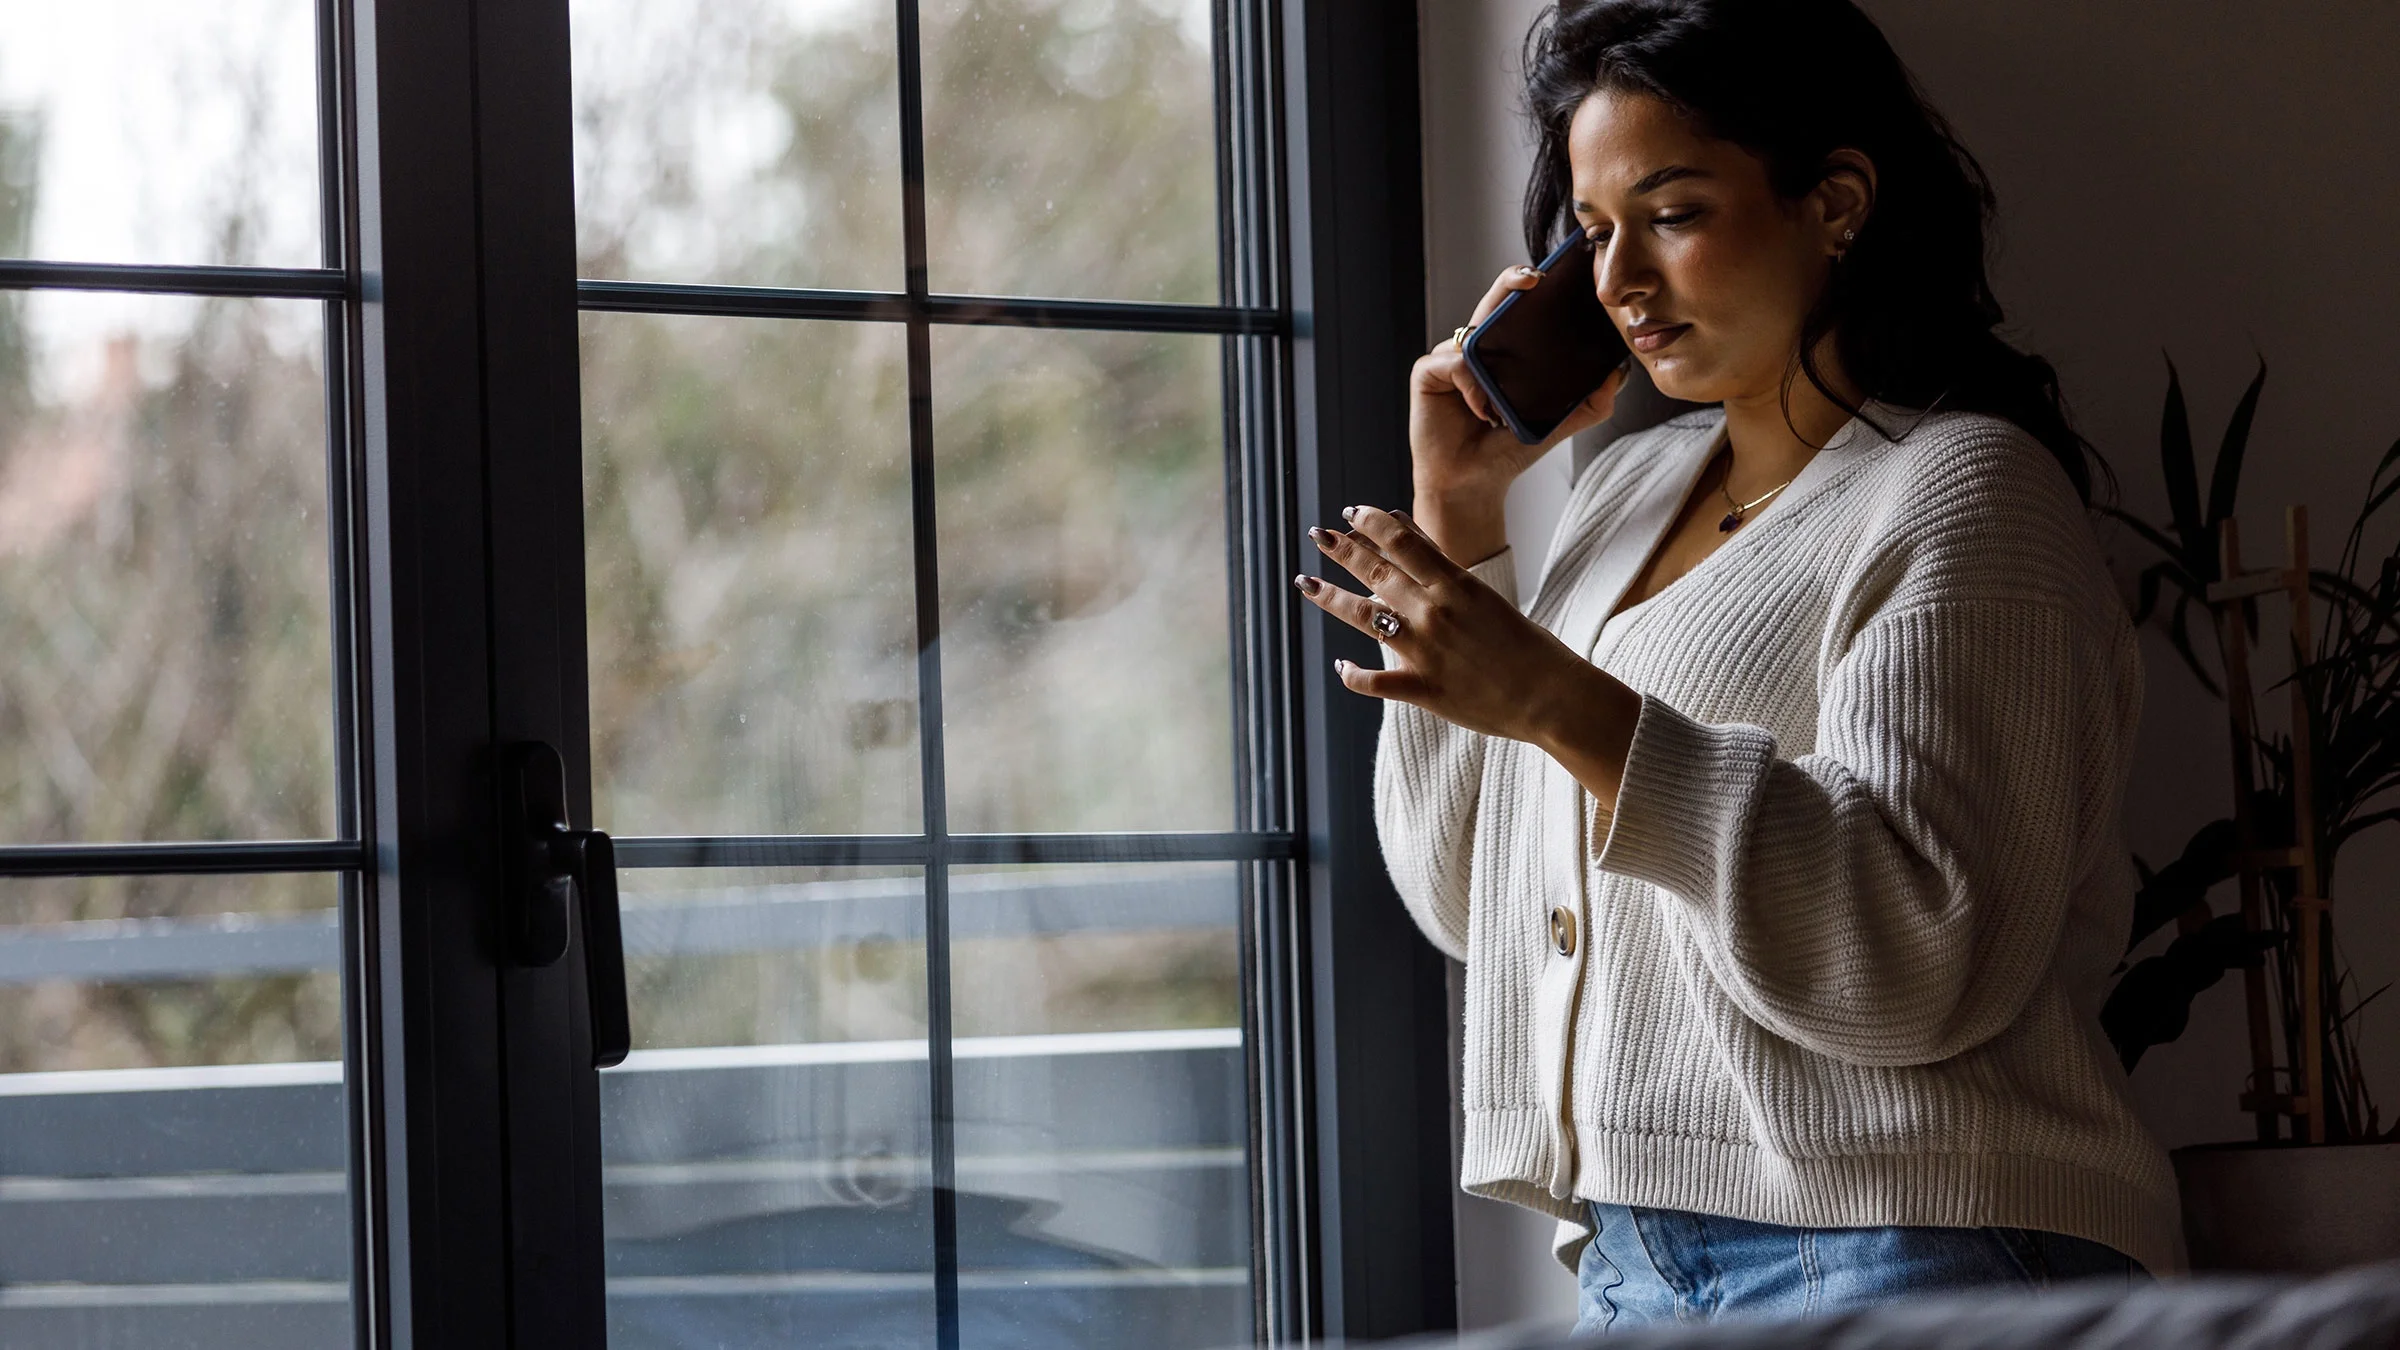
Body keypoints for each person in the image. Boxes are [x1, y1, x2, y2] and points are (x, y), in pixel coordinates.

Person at [1290, 0, 2177, 1333]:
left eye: (1674, 213)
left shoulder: (1961, 492)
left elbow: (1920, 951)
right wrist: (1461, 524)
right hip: (1637, 1263)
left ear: (1835, 202)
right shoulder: (1622, 494)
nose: (1619, 284)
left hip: (1912, 1242)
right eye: (1591, 234)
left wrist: (1562, 702)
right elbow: (1467, 901)